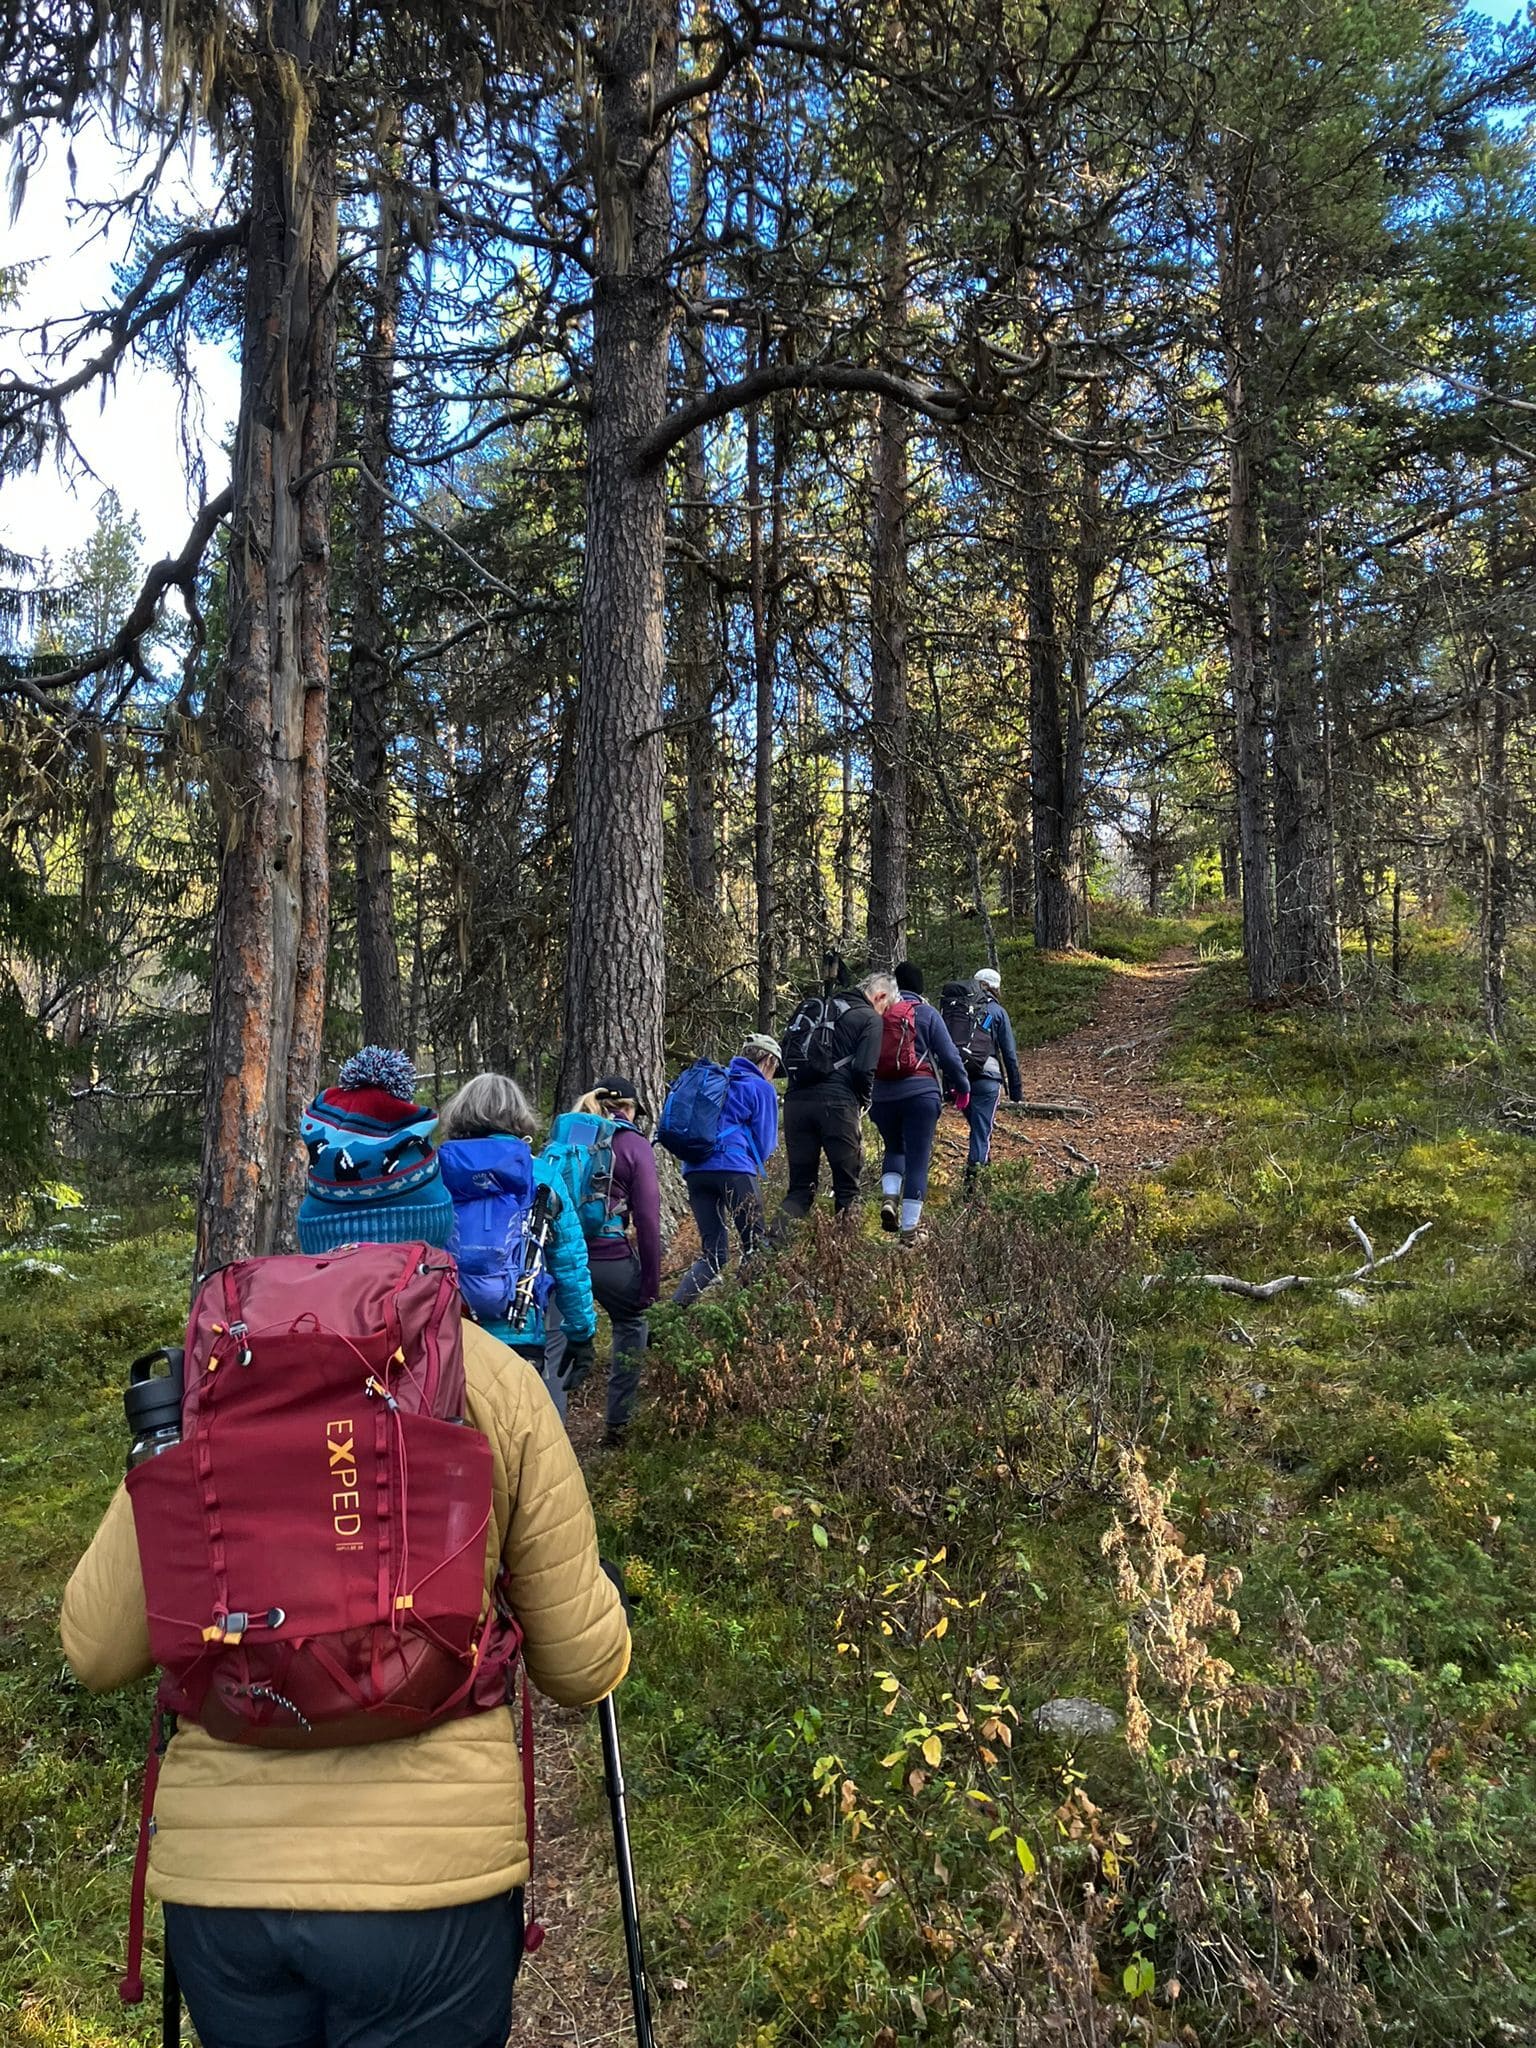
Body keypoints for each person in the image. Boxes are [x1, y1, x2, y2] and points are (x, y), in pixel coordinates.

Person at [60, 1045, 629, 2048]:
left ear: (311, 1224)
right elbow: (581, 1669)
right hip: (431, 1897)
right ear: (432, 1225)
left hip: (227, 1898)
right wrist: (607, 1606)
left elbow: (97, 1647)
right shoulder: (495, 1382)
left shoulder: (214, 1386)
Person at [437, 1071, 598, 1390]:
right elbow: (569, 1263)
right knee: (521, 1434)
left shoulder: (437, 1172)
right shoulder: (542, 1174)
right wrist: (581, 1333)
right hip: (520, 1332)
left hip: (453, 1332)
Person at [543, 1076, 661, 1447]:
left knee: (554, 1343)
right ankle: (618, 1425)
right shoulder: (633, 1145)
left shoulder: (563, 1137)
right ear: (628, 1110)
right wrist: (650, 1286)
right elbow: (648, 1221)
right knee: (632, 1322)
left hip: (558, 1258)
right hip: (608, 1258)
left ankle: (551, 1439)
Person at [672, 1033, 782, 1305]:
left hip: (695, 1171)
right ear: (767, 1059)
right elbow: (766, 1143)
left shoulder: (717, 1080)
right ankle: (746, 1311)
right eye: (776, 1067)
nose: (774, 1073)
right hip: (734, 1169)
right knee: (755, 1246)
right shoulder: (760, 1087)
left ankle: (670, 1316)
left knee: (714, 1254)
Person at [774, 969, 887, 1226]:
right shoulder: (869, 1018)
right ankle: (844, 1258)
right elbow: (863, 1068)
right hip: (838, 1105)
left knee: (800, 1189)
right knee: (848, 1190)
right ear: (880, 996)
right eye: (887, 1007)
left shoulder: (817, 1009)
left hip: (796, 1103)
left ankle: (768, 1253)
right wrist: (864, 1101)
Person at [872, 963, 970, 1246]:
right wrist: (962, 1088)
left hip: (883, 1096)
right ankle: (908, 1234)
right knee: (917, 1161)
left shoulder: (880, 1014)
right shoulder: (927, 1013)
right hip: (921, 1095)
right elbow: (949, 1056)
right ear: (921, 987)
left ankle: (890, 1198)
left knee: (894, 1147)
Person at [963, 966, 1023, 1190]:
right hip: (987, 1080)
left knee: (979, 1127)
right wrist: (1016, 1092)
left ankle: (983, 1171)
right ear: (994, 988)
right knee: (981, 1130)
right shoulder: (997, 1012)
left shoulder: (959, 1008)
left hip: (960, 1079)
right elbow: (1009, 1055)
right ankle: (973, 1186)